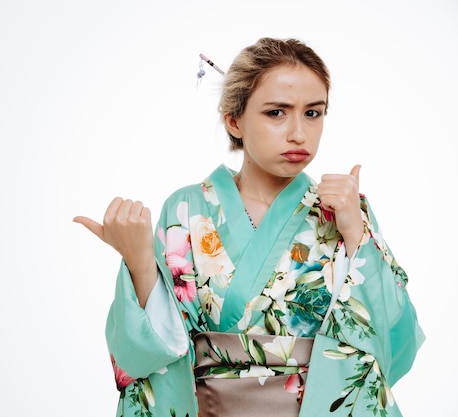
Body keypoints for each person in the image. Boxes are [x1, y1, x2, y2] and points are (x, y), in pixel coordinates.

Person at [73, 37, 425, 417]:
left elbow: (394, 342)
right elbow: (153, 349)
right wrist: (140, 261)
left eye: (313, 113)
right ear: (234, 120)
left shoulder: (344, 210)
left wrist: (357, 235)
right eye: (277, 113)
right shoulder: (188, 207)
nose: (298, 133)